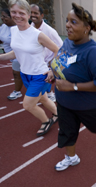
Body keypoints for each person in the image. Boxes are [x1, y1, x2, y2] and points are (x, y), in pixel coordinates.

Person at [53, 3, 96, 171]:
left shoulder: (95, 53)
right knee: (67, 132)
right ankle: (71, 157)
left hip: (91, 104)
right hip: (65, 101)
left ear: (86, 28)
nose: (67, 25)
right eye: (67, 21)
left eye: (73, 22)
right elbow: (60, 62)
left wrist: (72, 86)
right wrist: (53, 73)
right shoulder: (67, 43)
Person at [0, 0, 59, 136]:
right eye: (14, 12)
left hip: (39, 75)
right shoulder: (14, 30)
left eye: (21, 13)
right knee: (43, 98)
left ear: (28, 15)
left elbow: (57, 50)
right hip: (25, 73)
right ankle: (57, 113)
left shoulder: (37, 34)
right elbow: (17, 51)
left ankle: (46, 121)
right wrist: (1, 57)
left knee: (28, 105)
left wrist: (52, 69)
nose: (17, 15)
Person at [30, 4, 63, 102]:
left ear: (42, 15)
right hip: (36, 60)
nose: (33, 15)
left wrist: (53, 60)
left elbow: (61, 46)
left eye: (35, 13)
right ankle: (45, 94)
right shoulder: (30, 28)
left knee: (47, 79)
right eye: (31, 13)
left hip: (47, 61)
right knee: (40, 81)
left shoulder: (49, 31)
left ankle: (50, 94)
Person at [0, 8, 23, 100]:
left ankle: (17, 92)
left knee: (17, 73)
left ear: (12, 17)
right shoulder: (3, 27)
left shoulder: (19, 28)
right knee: (22, 74)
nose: (2, 18)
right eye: (2, 16)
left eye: (5, 16)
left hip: (21, 55)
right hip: (10, 55)